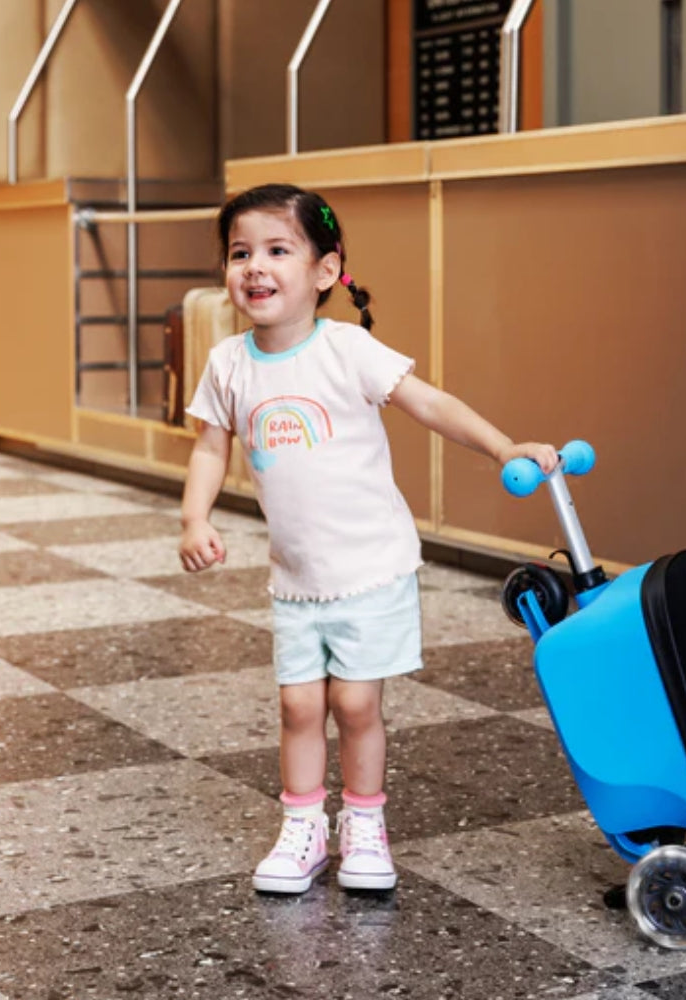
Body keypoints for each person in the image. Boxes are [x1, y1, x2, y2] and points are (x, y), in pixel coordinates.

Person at [178, 183, 557, 895]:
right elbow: (209, 446)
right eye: (239, 253)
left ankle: (363, 823)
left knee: (355, 705)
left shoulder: (346, 349)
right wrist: (194, 518)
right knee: (297, 706)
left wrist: (504, 447)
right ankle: (302, 828)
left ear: (325, 270)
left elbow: (429, 403)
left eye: (277, 250)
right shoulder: (228, 362)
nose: (254, 267)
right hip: (297, 577)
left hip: (372, 568)